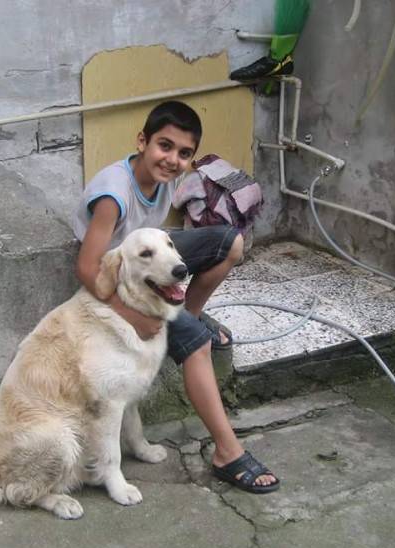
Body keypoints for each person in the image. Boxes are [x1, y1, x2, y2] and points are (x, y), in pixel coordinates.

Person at [72, 100, 279, 493]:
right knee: (197, 345)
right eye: (164, 146)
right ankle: (227, 452)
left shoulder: (161, 181)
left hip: (147, 268)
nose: (172, 159)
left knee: (229, 242)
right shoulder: (113, 193)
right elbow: (87, 267)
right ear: (142, 141)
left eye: (184, 153)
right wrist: (131, 316)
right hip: (119, 283)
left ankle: (188, 314)